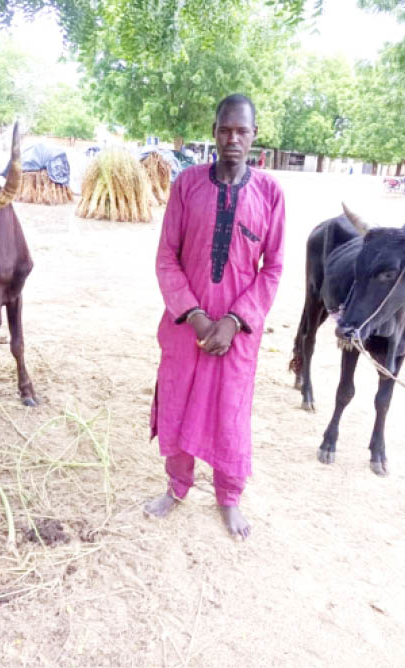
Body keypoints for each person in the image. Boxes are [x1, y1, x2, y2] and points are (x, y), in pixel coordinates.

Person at [144, 94, 286, 538]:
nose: (232, 139)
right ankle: (177, 486)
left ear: (254, 136)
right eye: (225, 130)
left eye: (242, 131)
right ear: (214, 132)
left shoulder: (269, 194)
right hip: (188, 327)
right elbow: (167, 257)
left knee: (230, 412)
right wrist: (195, 315)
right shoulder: (186, 185)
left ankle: (229, 497)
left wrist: (235, 320)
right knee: (179, 401)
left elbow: (274, 267)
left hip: (237, 336)